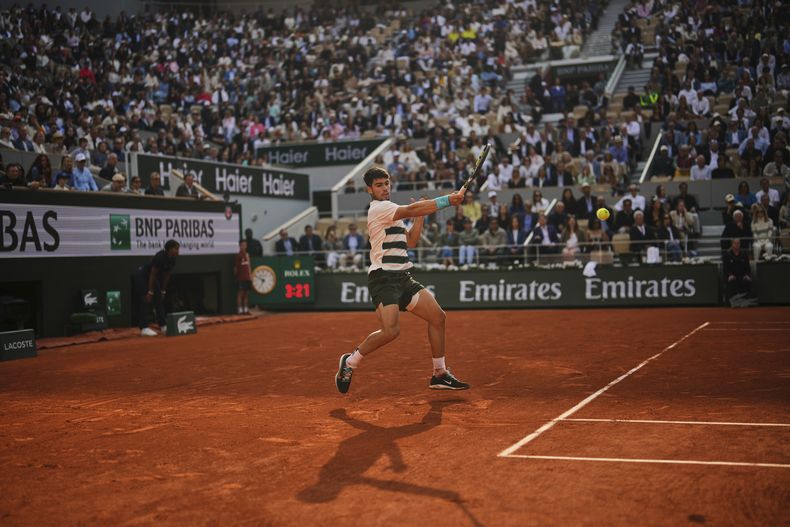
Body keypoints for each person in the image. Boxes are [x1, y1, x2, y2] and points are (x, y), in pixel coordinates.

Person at [335, 167, 469, 394]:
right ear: (370, 190)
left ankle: (439, 373)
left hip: (403, 277)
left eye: (386, 183)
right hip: (383, 278)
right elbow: (411, 208)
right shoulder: (379, 209)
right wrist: (447, 200)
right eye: (379, 185)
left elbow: (412, 241)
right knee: (390, 331)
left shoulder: (393, 213)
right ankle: (350, 362)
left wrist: (419, 218)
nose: (385, 188)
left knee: (437, 317)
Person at [134, 240, 179, 336]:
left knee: (159, 299)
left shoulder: (172, 259)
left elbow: (167, 276)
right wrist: (150, 291)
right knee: (146, 299)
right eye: (176, 248)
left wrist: (163, 291)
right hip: (143, 276)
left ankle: (163, 326)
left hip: (152, 278)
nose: (178, 251)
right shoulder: (160, 257)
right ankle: (144, 328)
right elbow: (152, 274)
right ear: (170, 249)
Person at [234, 239, 252, 314]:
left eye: (245, 245)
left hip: (247, 278)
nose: (244, 247)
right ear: (240, 246)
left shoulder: (247, 255)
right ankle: (240, 310)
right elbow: (235, 268)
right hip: (241, 278)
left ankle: (246, 310)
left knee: (246, 294)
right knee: (240, 294)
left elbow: (249, 266)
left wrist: (250, 276)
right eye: (242, 245)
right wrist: (237, 277)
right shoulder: (238, 256)